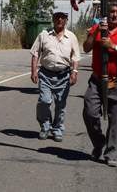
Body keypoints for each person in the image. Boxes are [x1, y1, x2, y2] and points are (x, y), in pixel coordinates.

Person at [82, 4, 117, 167]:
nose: (114, 15)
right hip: (97, 80)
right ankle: (99, 143)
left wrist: (113, 46)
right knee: (90, 113)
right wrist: (97, 31)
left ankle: (111, 153)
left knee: (114, 120)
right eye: (111, 12)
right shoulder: (98, 28)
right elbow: (86, 48)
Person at [30, 11, 80, 142]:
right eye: (57, 17)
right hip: (46, 74)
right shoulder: (44, 34)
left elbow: (75, 57)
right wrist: (34, 71)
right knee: (44, 101)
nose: (59, 20)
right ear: (53, 19)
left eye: (62, 18)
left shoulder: (72, 37)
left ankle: (57, 129)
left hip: (63, 75)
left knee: (60, 104)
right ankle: (45, 127)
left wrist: (74, 72)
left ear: (66, 20)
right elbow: (35, 53)